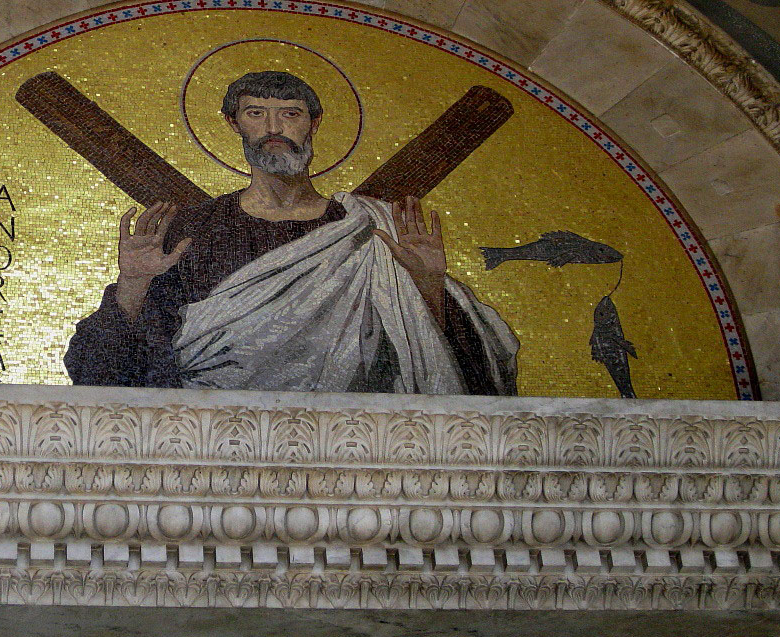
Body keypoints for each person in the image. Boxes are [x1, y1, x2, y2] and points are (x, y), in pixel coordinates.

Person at [64, 71, 518, 395]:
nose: (274, 129)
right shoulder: (192, 230)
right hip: (213, 442)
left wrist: (428, 285)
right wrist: (133, 284)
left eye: (291, 114)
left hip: (353, 447)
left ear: (314, 123)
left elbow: (466, 382)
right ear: (233, 123)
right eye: (256, 114)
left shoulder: (369, 230)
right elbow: (102, 378)